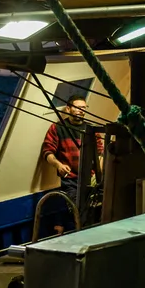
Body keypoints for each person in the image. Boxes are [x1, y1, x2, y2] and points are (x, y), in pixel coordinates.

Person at [40, 94, 103, 232]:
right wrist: (58, 165)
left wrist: (97, 173)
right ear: (68, 109)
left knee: (95, 209)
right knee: (75, 210)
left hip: (91, 180)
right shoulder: (57, 128)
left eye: (83, 108)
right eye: (77, 108)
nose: (81, 110)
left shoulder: (91, 129)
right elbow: (47, 152)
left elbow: (100, 152)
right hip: (70, 180)